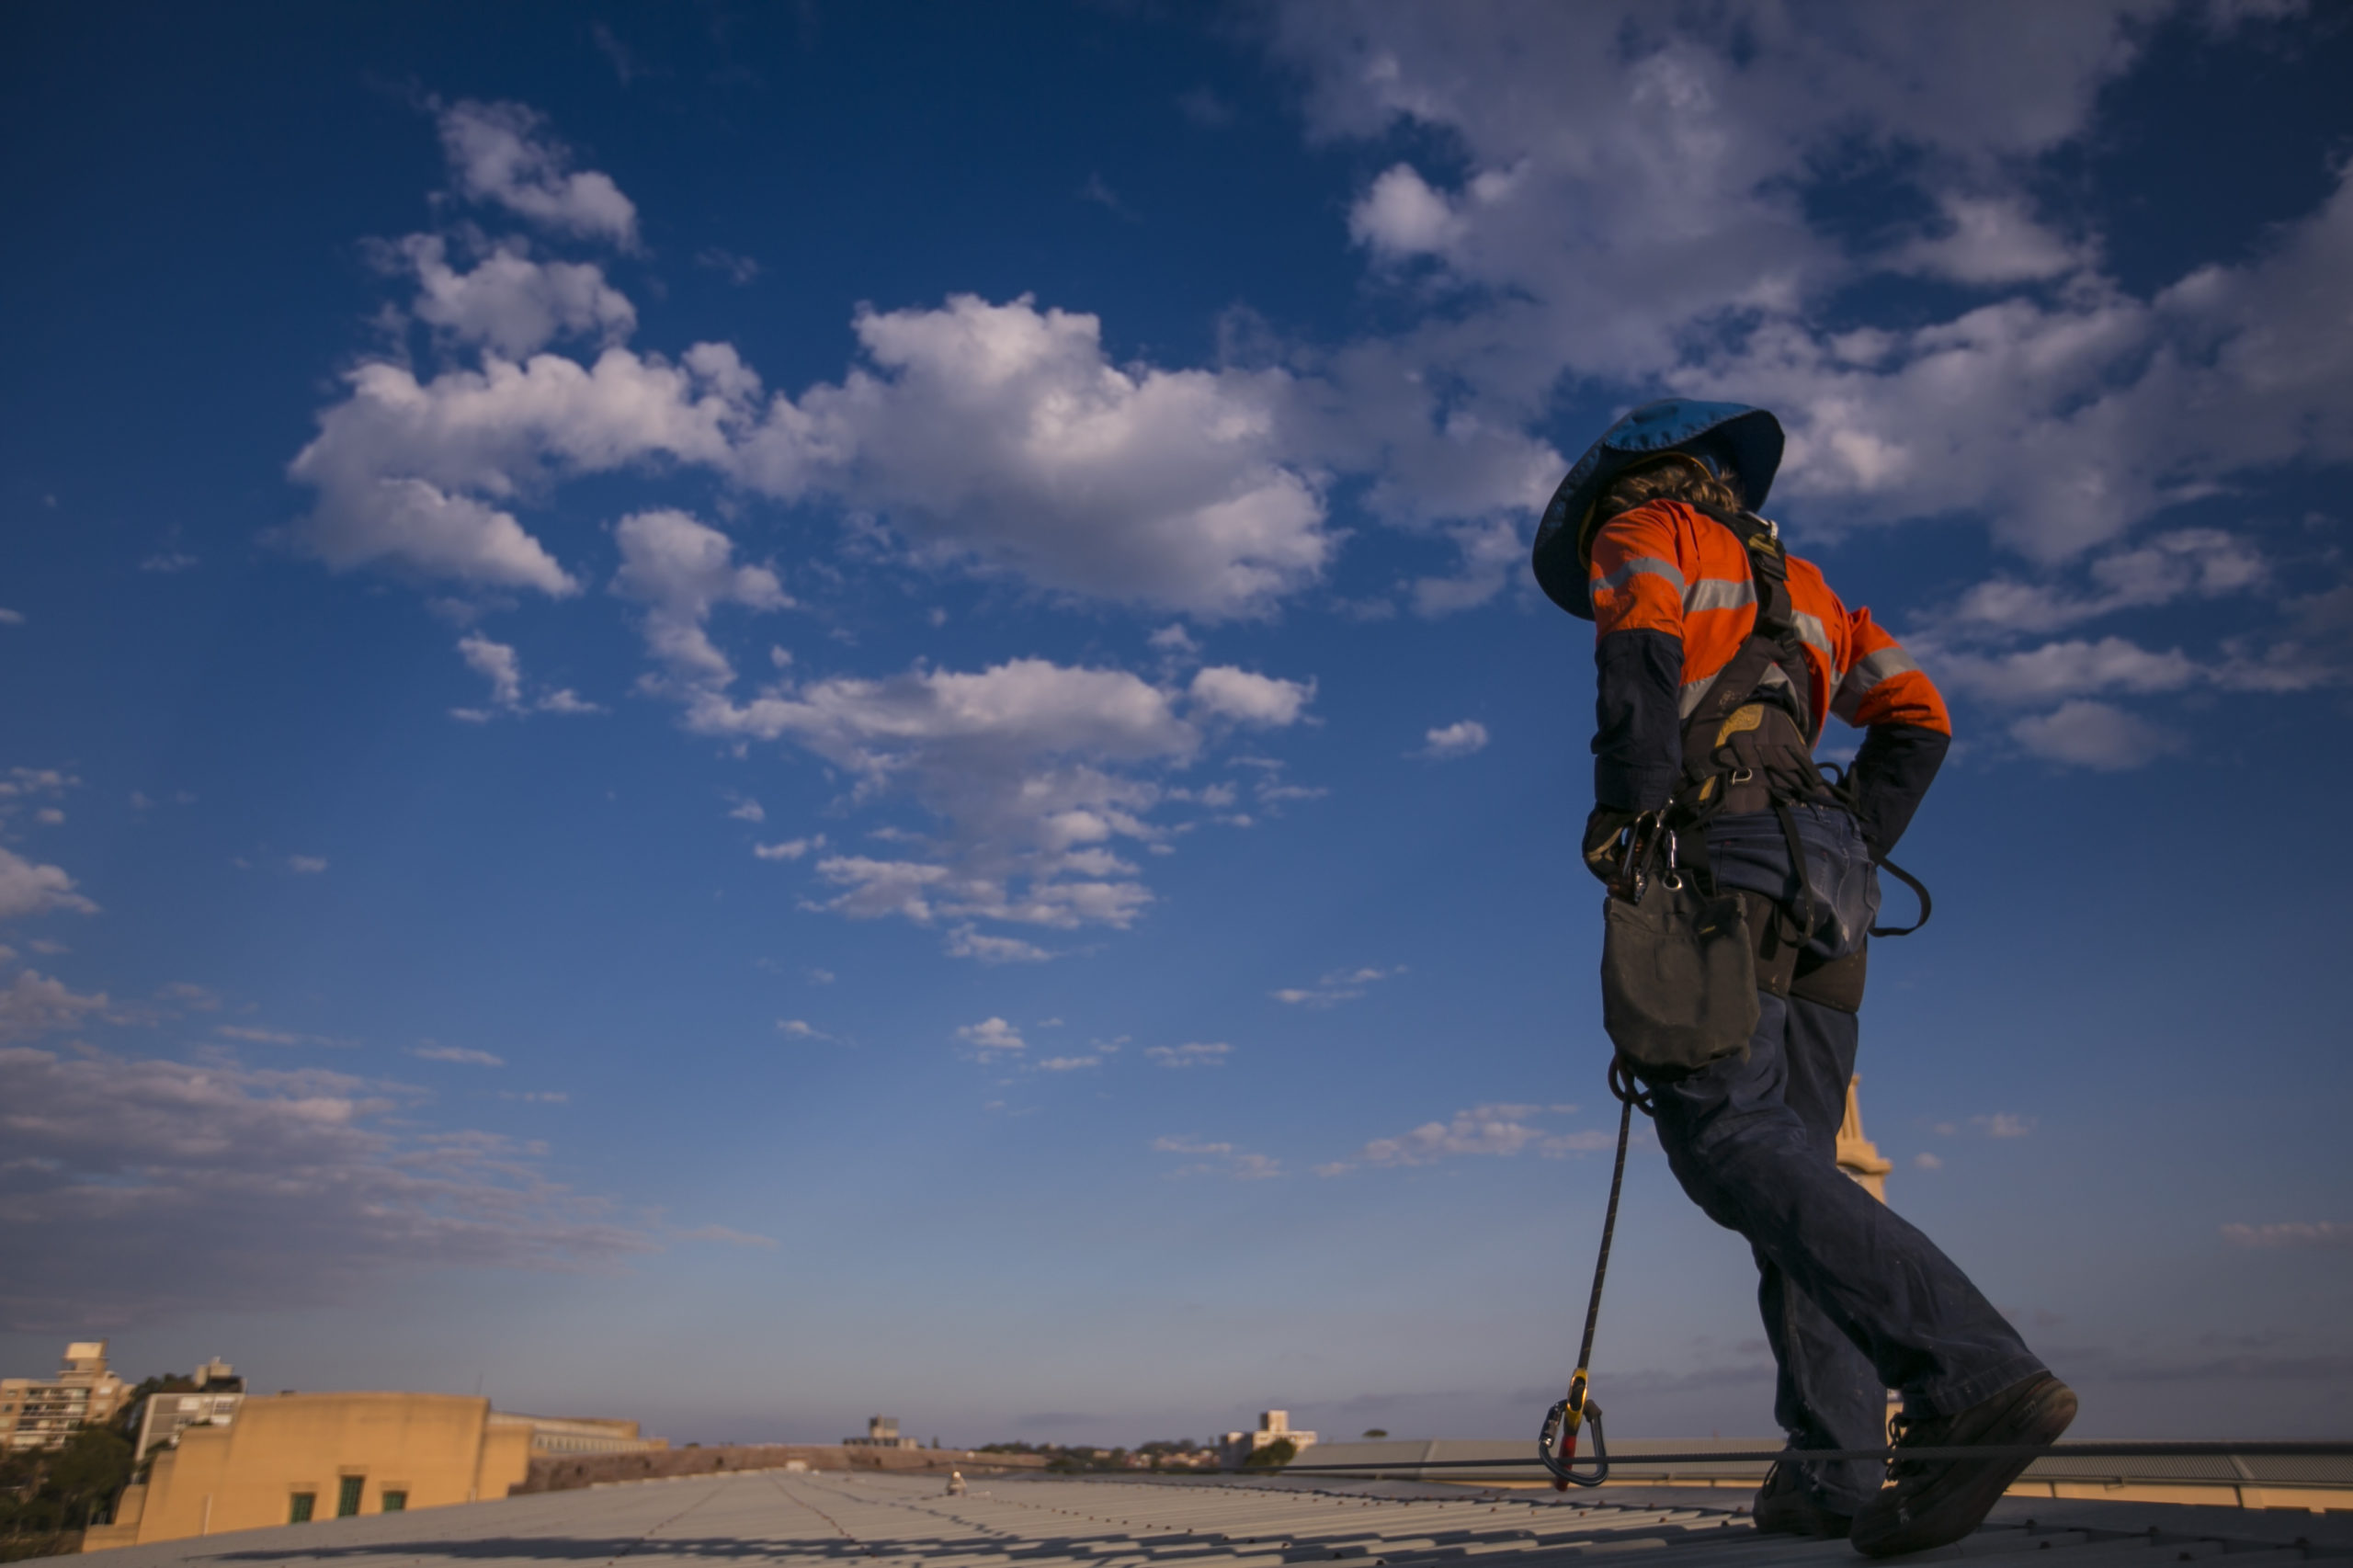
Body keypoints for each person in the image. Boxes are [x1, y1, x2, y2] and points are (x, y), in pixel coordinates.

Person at [1531, 400, 2075, 1557]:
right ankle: (1831, 1466)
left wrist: (1627, 823)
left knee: (1726, 1134)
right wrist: (1858, 847)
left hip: (1720, 862)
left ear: (1631, 485)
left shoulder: (1643, 538)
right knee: (1793, 1162)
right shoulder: (1821, 591)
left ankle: (1970, 1377)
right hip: (1830, 891)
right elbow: (1919, 719)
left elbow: (1635, 667)